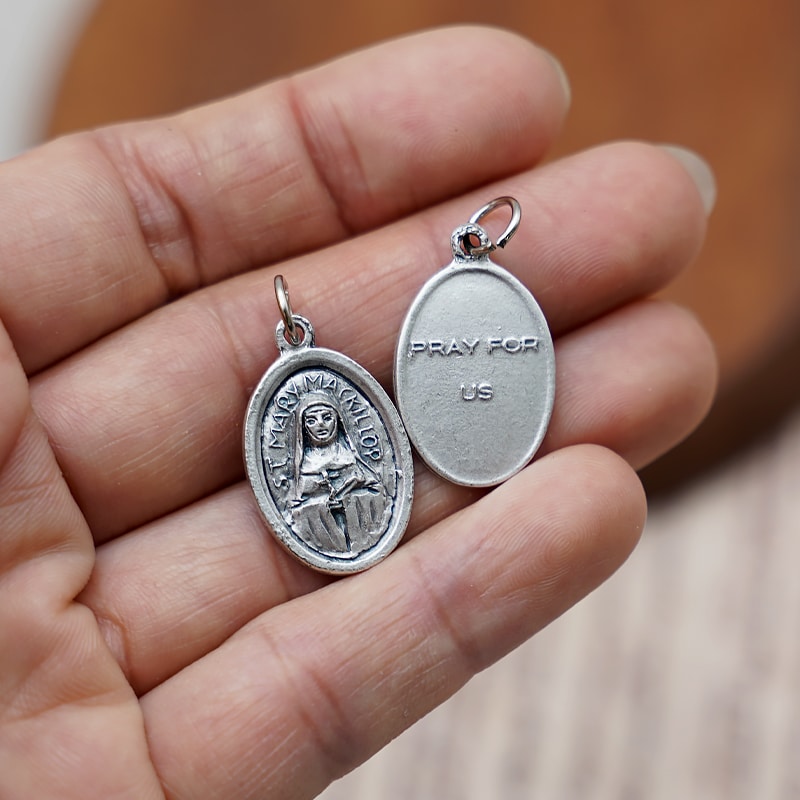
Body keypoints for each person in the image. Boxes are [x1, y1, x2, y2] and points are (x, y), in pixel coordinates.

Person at [0, 26, 716, 800]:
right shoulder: (304, 445)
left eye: (322, 424)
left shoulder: (351, 435)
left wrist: (348, 481)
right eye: (310, 425)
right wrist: (323, 485)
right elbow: (311, 483)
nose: (318, 430)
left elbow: (359, 471)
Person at [287, 393, 387, 556]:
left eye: (327, 418)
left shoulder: (350, 459)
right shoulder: (305, 468)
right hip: (325, 539)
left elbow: (378, 492)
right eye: (311, 421)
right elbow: (295, 511)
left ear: (337, 421)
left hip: (360, 534)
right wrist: (323, 505)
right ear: (304, 428)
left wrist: (348, 500)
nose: (320, 424)